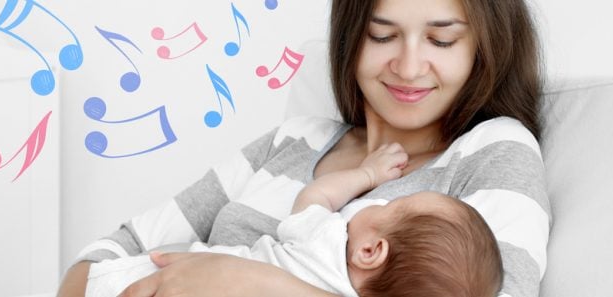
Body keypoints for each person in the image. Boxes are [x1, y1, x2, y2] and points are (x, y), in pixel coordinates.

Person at [58, 0, 550, 296]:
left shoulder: (494, 147)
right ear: (351, 40)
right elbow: (116, 248)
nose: (408, 64)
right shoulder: (295, 139)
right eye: (382, 35)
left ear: (483, 49)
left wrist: (249, 282)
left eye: (442, 41)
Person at [84, 143, 503, 297]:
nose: (374, 204)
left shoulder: (326, 237)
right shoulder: (296, 136)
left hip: (147, 280)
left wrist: (367, 175)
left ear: (371, 250)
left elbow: (314, 196)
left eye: (391, 208)